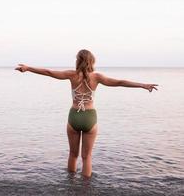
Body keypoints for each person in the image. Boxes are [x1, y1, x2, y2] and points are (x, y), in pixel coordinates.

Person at [15, 49, 158, 177]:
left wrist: (28, 68)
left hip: (74, 116)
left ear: (78, 61)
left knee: (73, 154)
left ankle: (70, 185)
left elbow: (49, 72)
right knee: (87, 156)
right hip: (89, 117)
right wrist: (143, 85)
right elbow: (120, 82)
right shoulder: (97, 77)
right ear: (92, 61)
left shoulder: (71, 75)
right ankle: (85, 189)